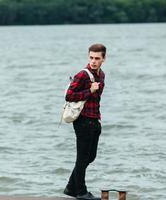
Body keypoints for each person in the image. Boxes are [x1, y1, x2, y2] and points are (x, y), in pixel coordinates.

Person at [63, 44, 106, 200]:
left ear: (104, 59)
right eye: (91, 58)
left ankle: (70, 187)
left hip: (94, 119)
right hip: (82, 121)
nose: (93, 61)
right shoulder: (82, 75)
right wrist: (90, 90)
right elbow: (69, 96)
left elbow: (97, 100)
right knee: (82, 158)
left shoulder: (102, 75)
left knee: (91, 156)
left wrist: (98, 120)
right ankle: (81, 192)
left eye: (97, 58)